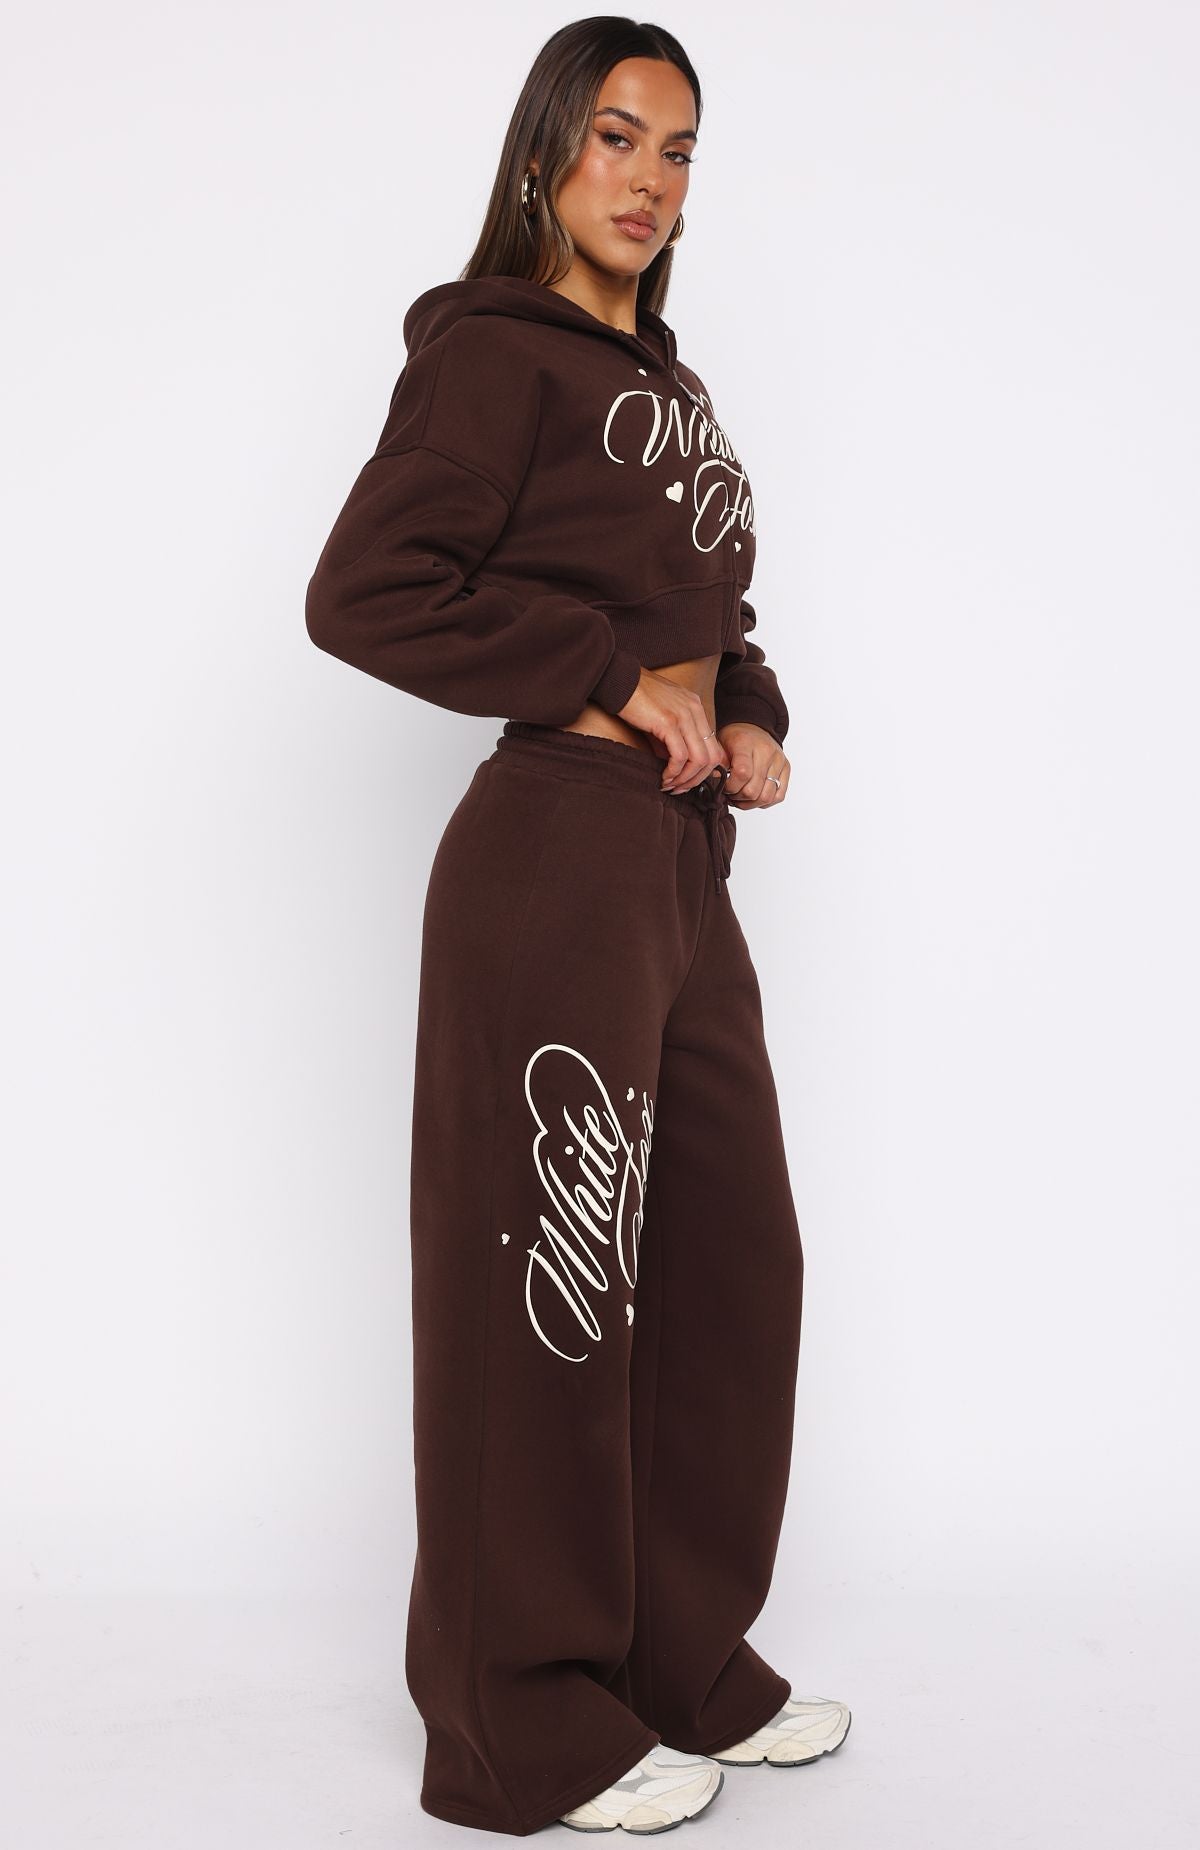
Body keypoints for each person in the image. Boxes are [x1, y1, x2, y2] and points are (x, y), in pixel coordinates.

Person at [305, 17, 850, 1838]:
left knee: (728, 1261)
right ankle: (516, 1720)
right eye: (617, 137)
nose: (649, 179)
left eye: (679, 150)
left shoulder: (668, 381)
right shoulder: (490, 356)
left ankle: (675, 1658)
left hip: (679, 867)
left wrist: (745, 707)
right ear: (546, 149)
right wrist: (610, 679)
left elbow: (706, 611)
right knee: (545, 1285)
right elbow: (365, 590)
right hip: (551, 851)